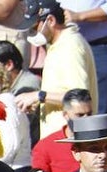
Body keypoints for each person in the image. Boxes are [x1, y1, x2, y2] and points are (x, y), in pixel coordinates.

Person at [14, 0, 96, 138]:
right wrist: (39, 101)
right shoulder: (58, 45)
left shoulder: (70, 47)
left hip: (70, 140)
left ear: (50, 20)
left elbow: (80, 96)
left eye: (34, 28)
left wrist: (39, 96)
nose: (31, 33)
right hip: (59, 138)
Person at [31, 88, 107, 172]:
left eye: (89, 114)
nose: (86, 119)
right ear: (65, 115)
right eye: (80, 115)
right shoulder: (45, 146)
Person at [61, 0, 107, 115]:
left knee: (102, 108)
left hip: (102, 47)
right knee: (68, 103)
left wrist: (79, 16)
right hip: (67, 46)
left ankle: (100, 133)